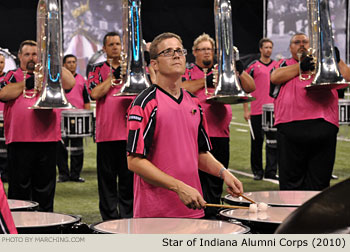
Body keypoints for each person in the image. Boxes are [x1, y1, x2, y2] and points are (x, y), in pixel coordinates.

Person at [126, 32, 245, 218]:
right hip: (156, 215)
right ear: (154, 64)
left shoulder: (195, 103)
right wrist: (178, 187)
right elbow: (134, 161)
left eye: (179, 51)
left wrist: (223, 173)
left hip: (193, 211)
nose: (176, 55)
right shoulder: (145, 103)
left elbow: (200, 154)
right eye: (167, 52)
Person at [181, 33, 255, 219]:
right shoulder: (188, 71)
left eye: (210, 49)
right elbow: (182, 88)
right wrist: (204, 82)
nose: (207, 53)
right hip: (195, 135)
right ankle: (199, 216)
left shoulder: (222, 70)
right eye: (203, 49)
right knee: (198, 179)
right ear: (195, 52)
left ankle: (213, 217)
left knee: (217, 180)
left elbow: (251, 87)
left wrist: (240, 70)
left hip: (220, 134)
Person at [0, 40, 75, 212]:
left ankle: (45, 228)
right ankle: (20, 230)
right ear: (19, 56)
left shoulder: (50, 75)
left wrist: (53, 60)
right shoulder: (12, 75)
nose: (31, 58)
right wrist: (27, 82)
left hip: (48, 140)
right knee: (19, 191)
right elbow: (3, 93)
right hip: (19, 141)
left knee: (45, 191)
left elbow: (70, 83)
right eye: (27, 54)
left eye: (35, 54)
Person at [270, 33, 350, 190]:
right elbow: (275, 77)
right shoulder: (283, 63)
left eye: (305, 41)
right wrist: (301, 66)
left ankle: (313, 215)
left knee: (319, 182)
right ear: (290, 47)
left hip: (323, 126)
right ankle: (292, 213)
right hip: (290, 127)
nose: (301, 44)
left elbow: (347, 76)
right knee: (291, 184)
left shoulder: (326, 62)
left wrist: (335, 58)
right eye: (297, 42)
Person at [88, 32, 134, 220]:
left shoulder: (133, 68)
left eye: (118, 43)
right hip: (107, 134)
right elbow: (95, 94)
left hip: (130, 133)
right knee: (106, 182)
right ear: (104, 49)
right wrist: (112, 77)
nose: (115, 47)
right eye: (111, 44)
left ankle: (128, 217)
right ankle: (108, 219)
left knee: (128, 181)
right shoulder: (96, 69)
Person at [243, 38, 278, 181]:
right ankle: (257, 171)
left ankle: (271, 171)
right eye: (266, 47)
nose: (268, 50)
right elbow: (245, 88)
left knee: (273, 144)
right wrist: (246, 110)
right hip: (257, 111)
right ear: (260, 49)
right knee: (256, 143)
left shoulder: (277, 66)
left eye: (270, 47)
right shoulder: (252, 67)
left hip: (273, 111)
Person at [57, 54, 91, 183]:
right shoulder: (59, 80)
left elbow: (86, 99)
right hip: (61, 118)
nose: (72, 64)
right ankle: (63, 174)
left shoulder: (82, 79)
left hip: (78, 119)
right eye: (69, 62)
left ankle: (75, 174)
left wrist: (89, 117)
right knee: (60, 148)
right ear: (64, 65)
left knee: (77, 148)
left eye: (74, 62)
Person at [0, 54, 8, 182]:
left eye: (1, 62)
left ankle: (6, 175)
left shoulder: (9, 79)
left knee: (6, 149)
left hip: (6, 118)